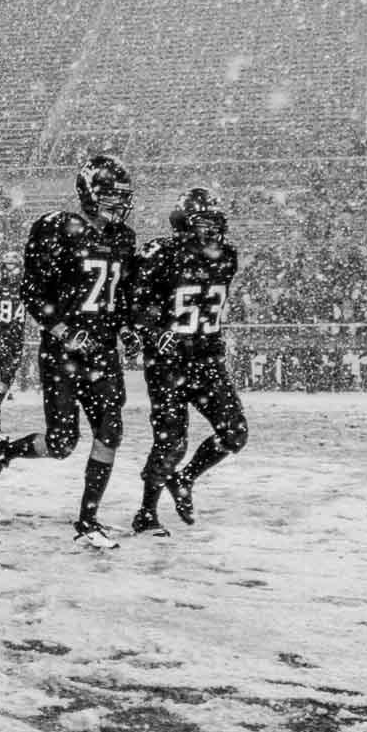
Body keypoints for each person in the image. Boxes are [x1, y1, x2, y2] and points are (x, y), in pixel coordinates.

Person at [0, 154, 141, 550]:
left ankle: (88, 519)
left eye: (123, 197)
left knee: (110, 431)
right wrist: (64, 331)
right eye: (113, 196)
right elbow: (32, 292)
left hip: (101, 352)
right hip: (62, 352)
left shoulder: (122, 239)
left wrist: (128, 328)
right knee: (63, 443)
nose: (121, 204)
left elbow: (120, 298)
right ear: (91, 195)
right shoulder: (58, 229)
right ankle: (5, 451)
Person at [124, 187, 247, 537]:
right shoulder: (161, 253)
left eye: (214, 222)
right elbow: (135, 303)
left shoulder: (227, 256)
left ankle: (184, 479)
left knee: (235, 433)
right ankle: (146, 512)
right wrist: (152, 331)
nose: (210, 231)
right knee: (171, 441)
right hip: (168, 362)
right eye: (201, 223)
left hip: (207, 358)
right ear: (183, 224)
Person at [0, 253, 27, 432]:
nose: (10, 270)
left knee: (8, 376)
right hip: (0, 333)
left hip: (17, 335)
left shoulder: (26, 286)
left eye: (13, 265)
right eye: (7, 265)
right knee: (7, 368)